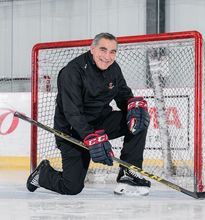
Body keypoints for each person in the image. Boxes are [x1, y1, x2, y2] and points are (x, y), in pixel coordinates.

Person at [26, 32, 151, 196]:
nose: (107, 56)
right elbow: (72, 113)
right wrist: (90, 136)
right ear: (92, 49)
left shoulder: (113, 68)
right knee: (72, 187)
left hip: (100, 122)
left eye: (113, 51)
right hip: (72, 131)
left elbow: (123, 95)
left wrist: (132, 106)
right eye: (103, 50)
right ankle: (41, 175)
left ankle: (129, 172)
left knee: (138, 120)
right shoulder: (72, 71)